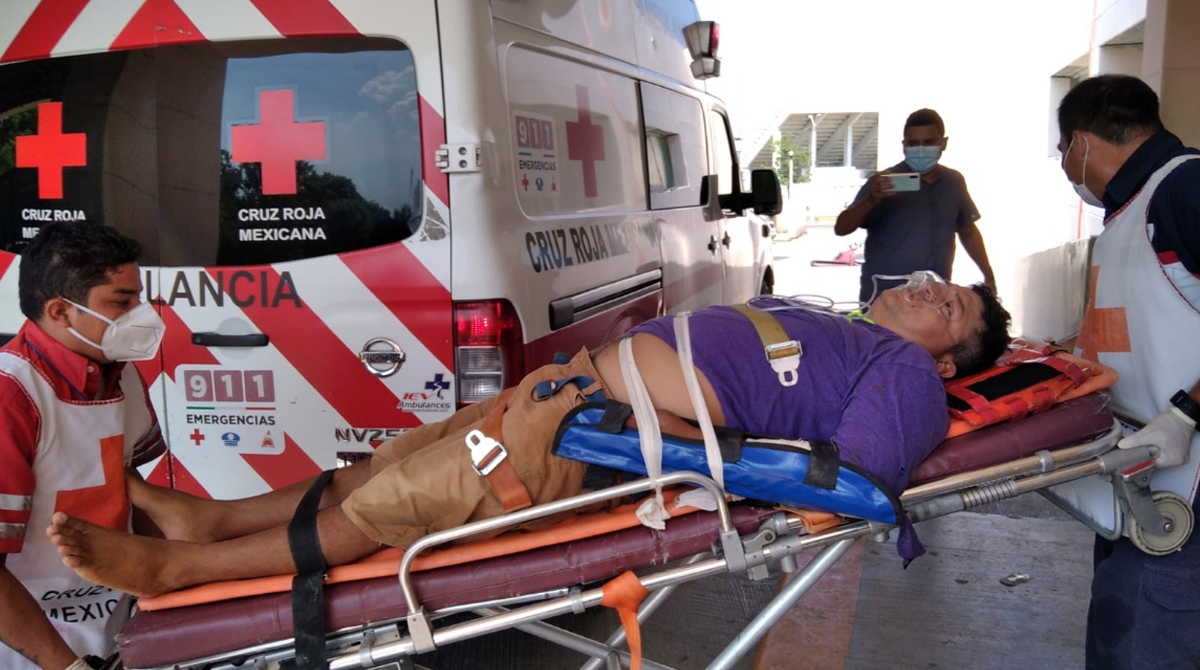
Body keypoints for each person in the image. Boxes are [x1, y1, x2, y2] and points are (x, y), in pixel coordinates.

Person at [46, 277, 1011, 600]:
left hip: (599, 434)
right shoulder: (831, 318)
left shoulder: (908, 378)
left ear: (954, 358)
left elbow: (860, 481)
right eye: (933, 278)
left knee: (398, 508)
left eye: (951, 303)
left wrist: (669, 447)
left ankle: (179, 573)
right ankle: (209, 520)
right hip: (567, 393)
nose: (930, 287)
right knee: (382, 465)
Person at [1056, 74, 1200, 670]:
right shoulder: (1129, 217)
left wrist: (1187, 414)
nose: (1065, 165)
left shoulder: (1184, 187)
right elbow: (1133, 330)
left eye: (1063, 149)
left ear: (1083, 141)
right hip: (1136, 470)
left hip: (1184, 480)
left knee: (1148, 637)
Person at [0, 222, 166, 670]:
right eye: (121, 301)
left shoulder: (121, 374)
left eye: (139, 298)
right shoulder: (10, 395)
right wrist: (67, 667)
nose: (141, 313)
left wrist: (173, 581)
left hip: (117, 631)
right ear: (60, 311)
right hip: (30, 652)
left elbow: (132, 494)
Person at [834, 108, 996, 304]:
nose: (920, 150)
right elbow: (841, 228)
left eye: (928, 143)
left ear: (943, 143)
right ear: (903, 146)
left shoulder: (953, 182)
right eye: (913, 144)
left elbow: (968, 231)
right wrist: (870, 201)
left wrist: (988, 275)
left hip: (934, 299)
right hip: (885, 300)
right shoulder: (883, 182)